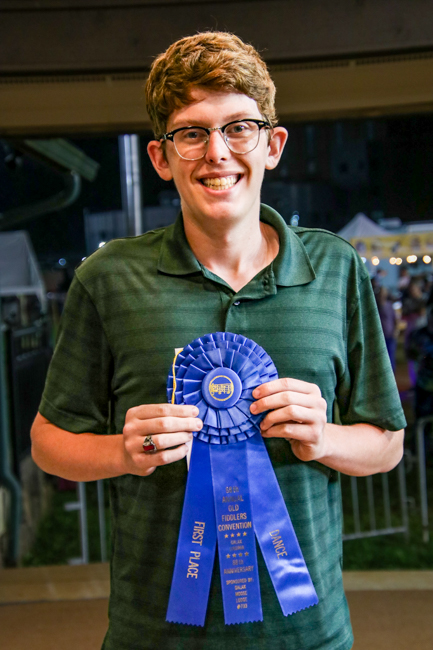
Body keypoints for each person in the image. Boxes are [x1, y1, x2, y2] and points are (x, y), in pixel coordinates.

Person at [31, 31, 406, 650]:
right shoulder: (107, 280)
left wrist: (325, 437)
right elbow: (48, 445)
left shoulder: (335, 269)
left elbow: (387, 446)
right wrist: (123, 453)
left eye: (238, 128)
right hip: (154, 636)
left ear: (272, 144)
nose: (217, 153)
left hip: (308, 636)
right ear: (160, 157)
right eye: (191, 132)